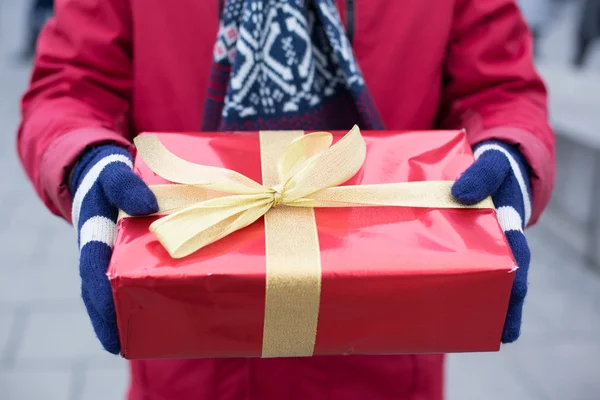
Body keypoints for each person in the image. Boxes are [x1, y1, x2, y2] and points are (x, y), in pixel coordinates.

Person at [17, 0, 555, 399]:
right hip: (189, 347)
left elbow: (498, 88)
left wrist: (507, 152)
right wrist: (87, 162)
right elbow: (73, 82)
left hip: (385, 349)